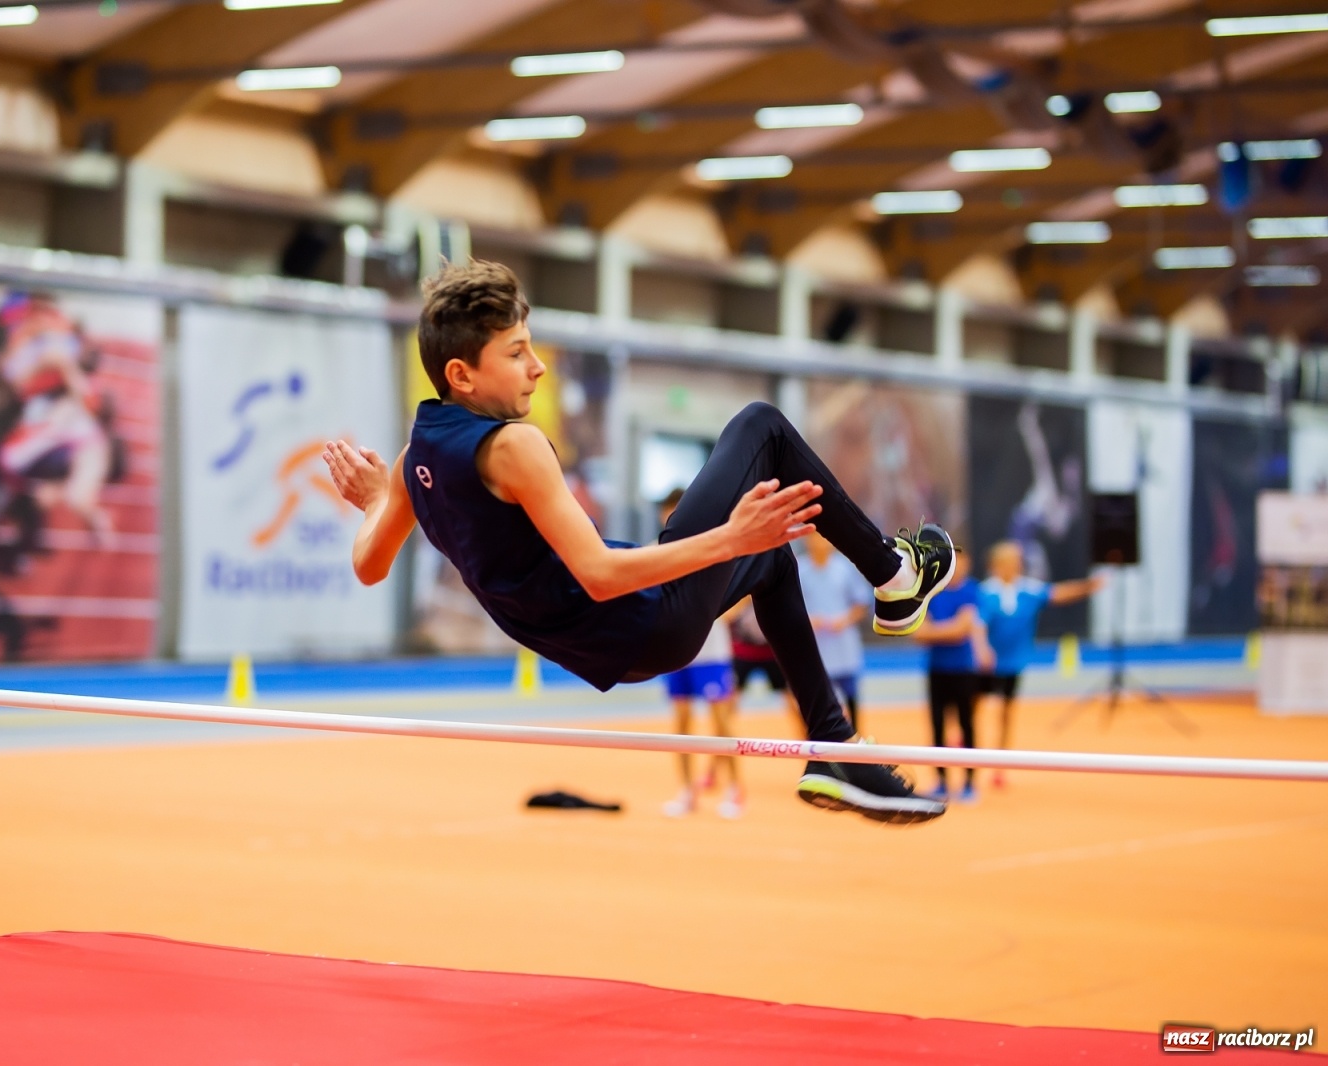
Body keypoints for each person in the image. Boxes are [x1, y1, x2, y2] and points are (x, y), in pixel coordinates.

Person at [322, 261, 958, 824]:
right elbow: (599, 574)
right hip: (642, 617)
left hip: (609, 646)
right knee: (761, 427)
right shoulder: (514, 447)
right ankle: (895, 578)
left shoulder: (416, 460)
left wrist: (380, 501)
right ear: (462, 374)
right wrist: (727, 537)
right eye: (517, 352)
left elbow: (368, 564)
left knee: (770, 557)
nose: (538, 366)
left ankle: (832, 744)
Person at [979, 540, 1105, 787]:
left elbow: (1060, 593)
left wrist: (1089, 587)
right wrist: (982, 649)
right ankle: (964, 746)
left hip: (1012, 664)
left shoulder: (1028, 590)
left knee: (1006, 712)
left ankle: (999, 764)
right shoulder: (984, 592)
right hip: (984, 664)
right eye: (1008, 562)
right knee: (973, 706)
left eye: (1016, 562)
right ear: (996, 565)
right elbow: (977, 624)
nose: (1013, 567)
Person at [654, 488, 744, 819]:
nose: (669, 518)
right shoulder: (660, 548)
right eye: (666, 512)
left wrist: (720, 613)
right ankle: (687, 791)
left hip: (712, 653)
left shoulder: (712, 545)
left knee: (720, 721)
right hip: (676, 650)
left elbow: (744, 588)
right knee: (680, 722)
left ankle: (735, 789)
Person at [914, 554, 993, 803]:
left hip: (963, 669)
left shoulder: (971, 591)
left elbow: (963, 629)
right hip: (937, 669)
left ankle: (969, 782)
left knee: (966, 725)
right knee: (937, 725)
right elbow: (919, 633)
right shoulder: (931, 592)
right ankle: (941, 781)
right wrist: (951, 629)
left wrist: (936, 631)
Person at [796, 532, 873, 734]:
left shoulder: (844, 568)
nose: (819, 542)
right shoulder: (800, 570)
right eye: (814, 538)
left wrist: (844, 619)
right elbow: (792, 605)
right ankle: (820, 750)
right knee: (817, 703)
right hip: (815, 649)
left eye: (823, 537)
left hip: (844, 647)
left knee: (851, 700)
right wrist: (809, 620)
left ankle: (854, 750)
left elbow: (862, 603)